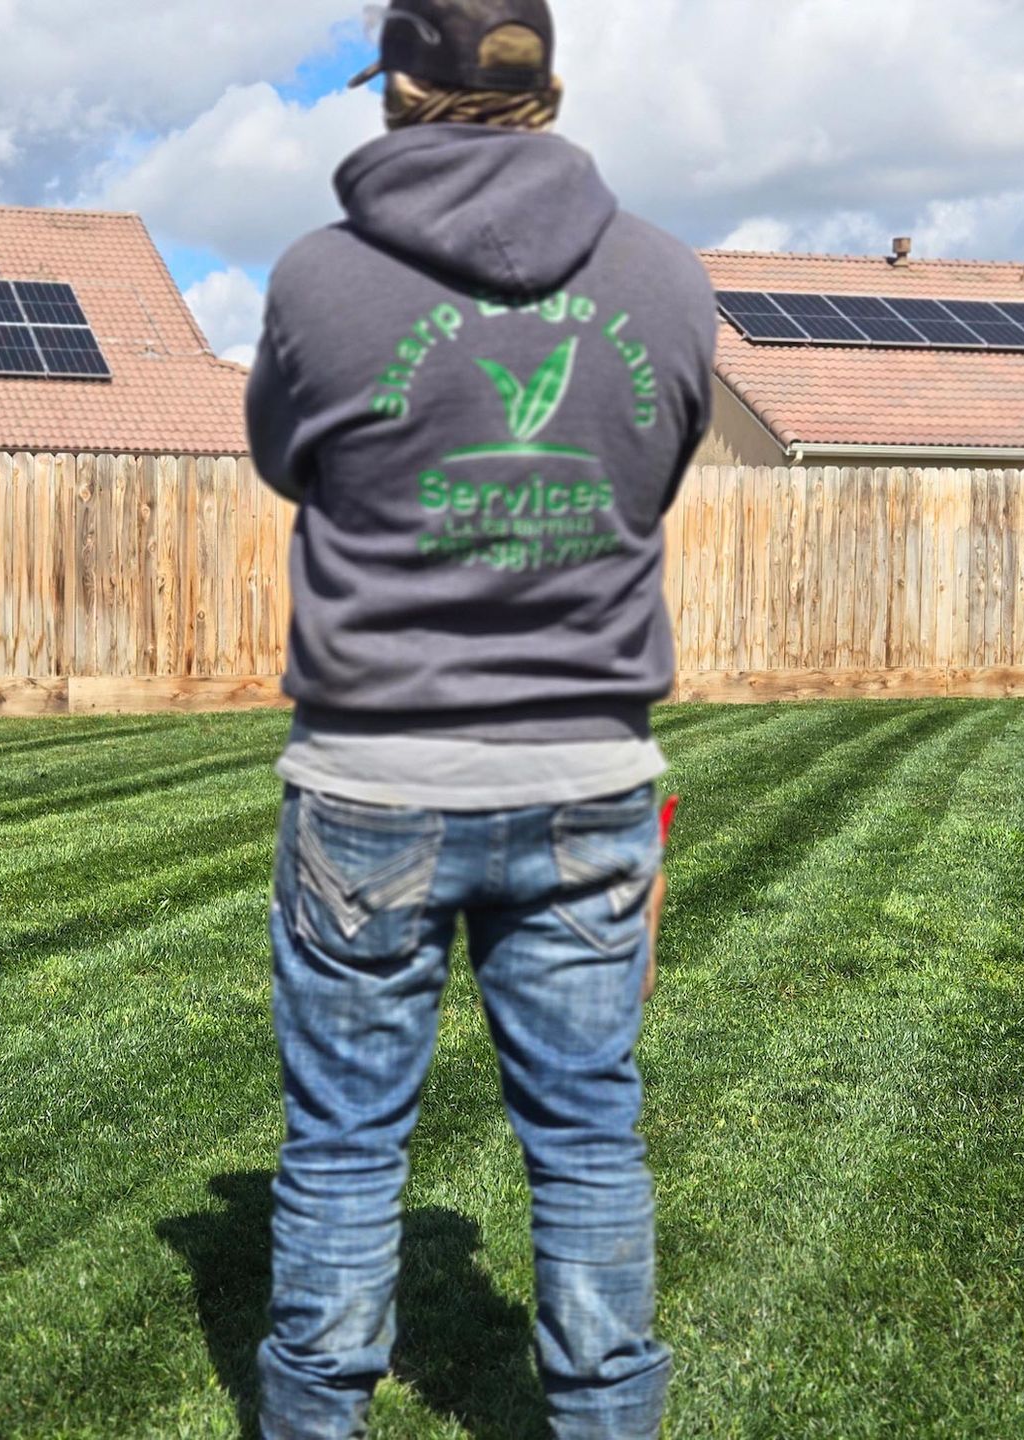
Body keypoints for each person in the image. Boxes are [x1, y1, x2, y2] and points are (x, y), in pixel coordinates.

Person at [245, 2, 717, 1434]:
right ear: (544, 82)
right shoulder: (665, 278)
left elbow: (286, 459)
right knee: (587, 1143)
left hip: (371, 782)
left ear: (398, 85)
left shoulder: (318, 281)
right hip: (588, 780)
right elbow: (658, 464)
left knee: (341, 1151)